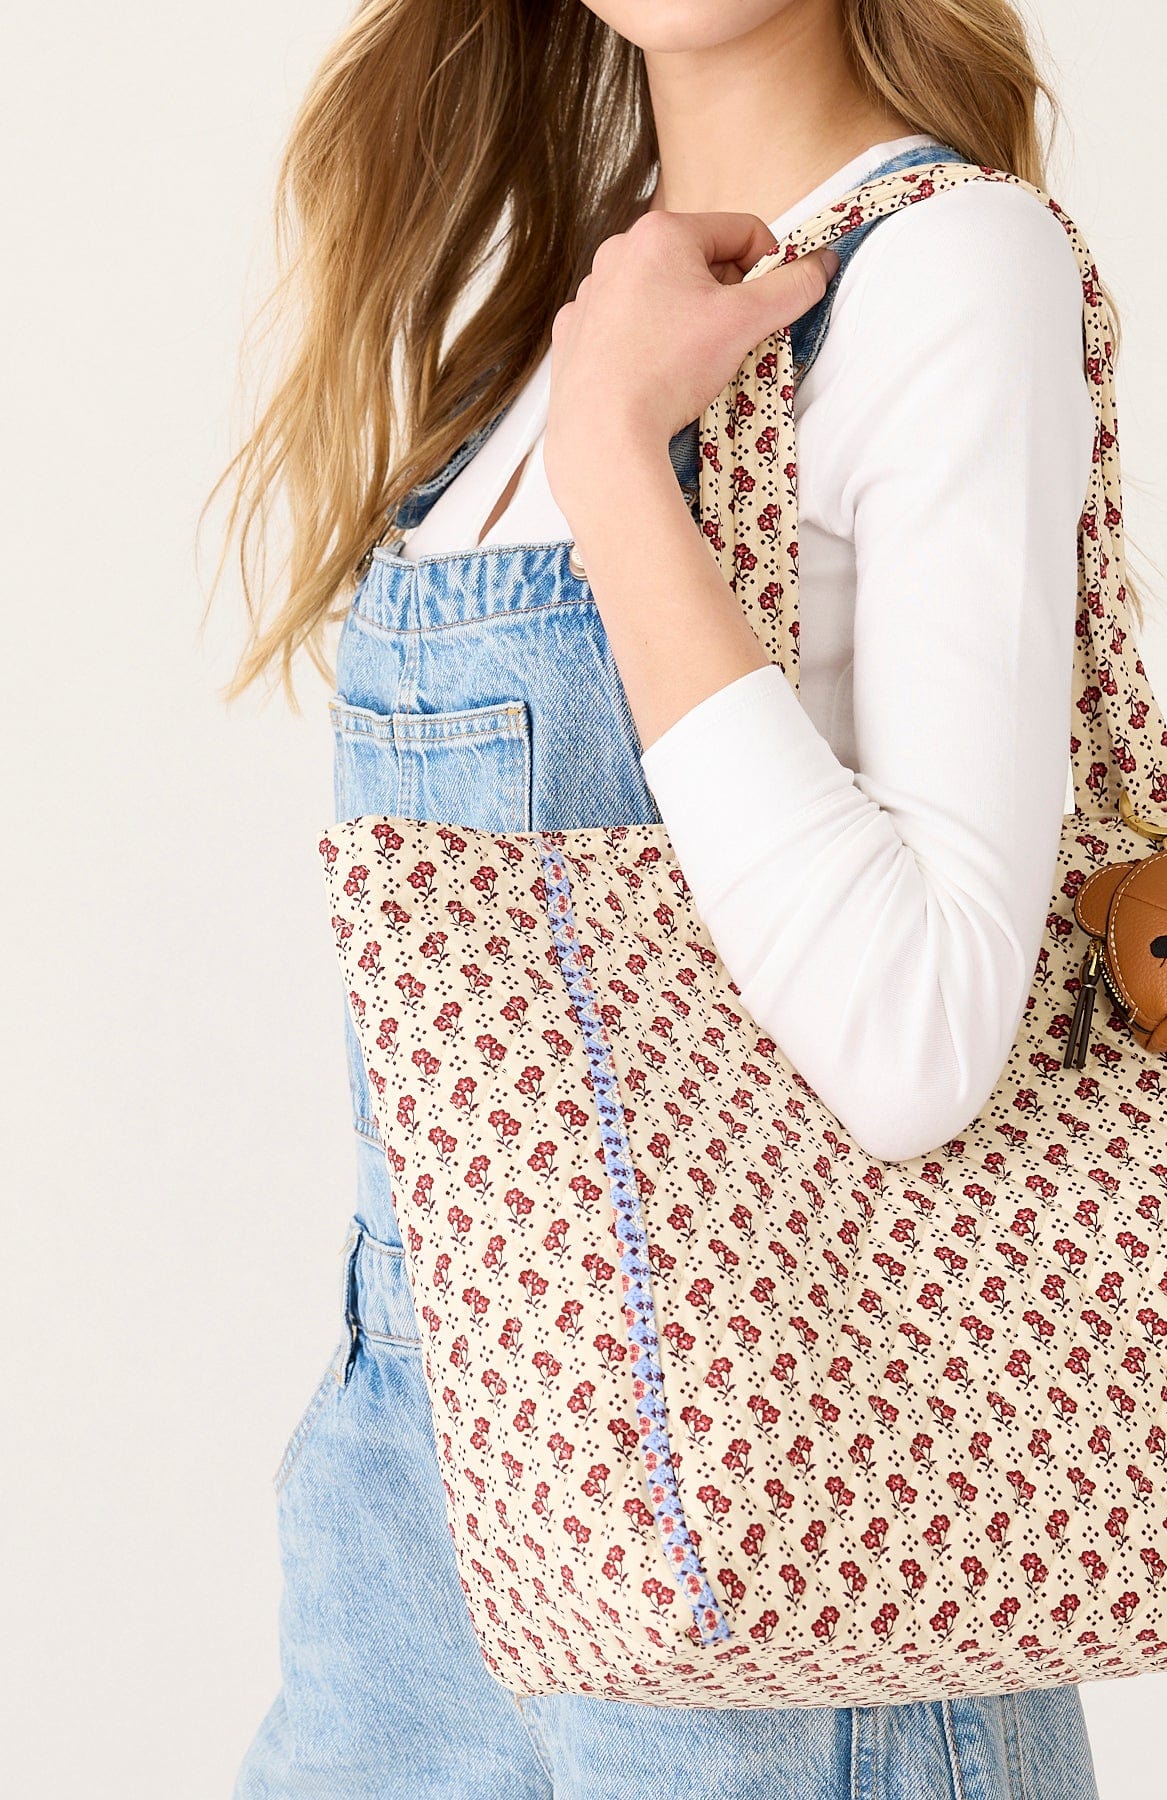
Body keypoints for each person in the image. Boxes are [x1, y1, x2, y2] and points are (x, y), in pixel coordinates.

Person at [214, 3, 1115, 1794]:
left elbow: (924, 1036)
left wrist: (626, 462)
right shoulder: (579, 311)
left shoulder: (946, 270)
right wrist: (598, 391)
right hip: (420, 1489)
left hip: (779, 1524)